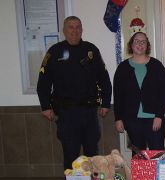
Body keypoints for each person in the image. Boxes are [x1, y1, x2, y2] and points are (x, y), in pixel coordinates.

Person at [37, 16, 112, 170]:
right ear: (64, 30)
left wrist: (105, 103)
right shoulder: (55, 51)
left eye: (78, 27)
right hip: (66, 113)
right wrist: (45, 106)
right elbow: (43, 81)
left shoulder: (91, 50)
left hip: (89, 112)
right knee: (70, 154)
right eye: (70, 27)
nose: (74, 30)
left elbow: (104, 78)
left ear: (82, 29)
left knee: (92, 154)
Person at [113, 32, 165, 151]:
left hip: (155, 118)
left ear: (147, 45)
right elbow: (118, 95)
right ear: (131, 45)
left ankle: (156, 171)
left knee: (157, 152)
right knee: (138, 154)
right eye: (137, 41)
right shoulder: (122, 68)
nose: (140, 44)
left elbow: (164, 91)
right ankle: (140, 171)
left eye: (143, 41)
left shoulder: (156, 65)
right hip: (132, 119)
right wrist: (118, 118)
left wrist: (159, 116)